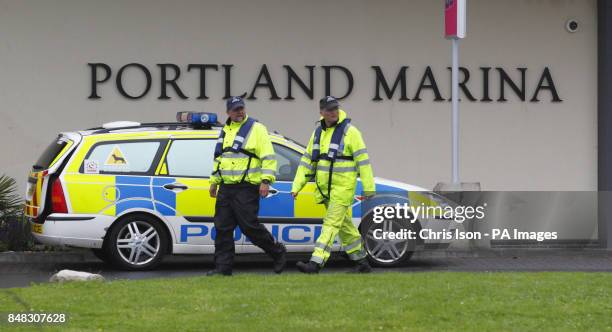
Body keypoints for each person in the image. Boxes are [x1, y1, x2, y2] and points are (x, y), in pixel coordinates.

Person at [291, 96, 376, 273]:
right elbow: (307, 161)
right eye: (329, 110)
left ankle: (316, 262)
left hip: (343, 189)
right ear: (321, 112)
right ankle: (362, 262)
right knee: (344, 226)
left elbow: (363, 161)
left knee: (330, 224)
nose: (334, 112)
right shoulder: (318, 133)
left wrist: (369, 187)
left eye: (335, 109)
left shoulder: (351, 132)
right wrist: (297, 185)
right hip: (325, 190)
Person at [207, 96, 286, 276]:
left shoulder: (257, 129)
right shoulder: (225, 130)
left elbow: (268, 155)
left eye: (241, 108)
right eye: (236, 109)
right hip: (226, 188)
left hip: (247, 187)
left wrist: (265, 181)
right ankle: (223, 269)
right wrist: (214, 182)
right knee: (222, 228)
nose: (240, 112)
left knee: (249, 227)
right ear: (228, 112)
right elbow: (220, 159)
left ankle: (277, 252)